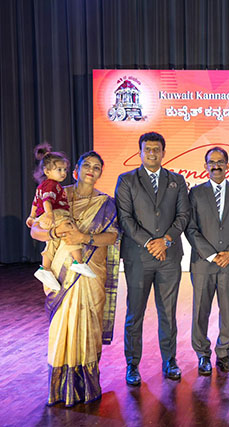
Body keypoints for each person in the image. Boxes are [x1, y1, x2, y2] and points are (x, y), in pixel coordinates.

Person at [30, 151, 120, 407]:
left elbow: (113, 237)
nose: (91, 169)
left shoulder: (106, 203)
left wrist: (84, 238)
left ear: (100, 173)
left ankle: (86, 388)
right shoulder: (56, 194)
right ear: (75, 171)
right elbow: (35, 229)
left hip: (91, 271)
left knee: (88, 324)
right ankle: (59, 389)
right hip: (60, 274)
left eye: (97, 167)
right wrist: (54, 232)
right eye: (86, 165)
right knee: (61, 328)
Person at [115, 131, 190, 385]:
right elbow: (125, 218)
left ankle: (170, 361)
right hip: (138, 257)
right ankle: (132, 365)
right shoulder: (126, 180)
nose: (152, 153)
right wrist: (150, 242)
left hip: (169, 256)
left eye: (157, 149)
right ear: (140, 152)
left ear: (163, 153)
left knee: (168, 312)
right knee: (134, 313)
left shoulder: (176, 180)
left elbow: (183, 215)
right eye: (147, 149)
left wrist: (165, 240)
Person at [185, 147, 229, 374]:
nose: (216, 166)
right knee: (200, 311)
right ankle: (202, 355)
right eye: (211, 162)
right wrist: (212, 255)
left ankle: (224, 354)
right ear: (205, 166)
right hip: (203, 263)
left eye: (220, 162)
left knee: (228, 310)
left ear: (227, 165)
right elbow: (190, 228)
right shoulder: (195, 193)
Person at [27, 143, 96, 290]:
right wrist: (50, 214)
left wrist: (32, 217)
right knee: (70, 231)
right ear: (47, 171)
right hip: (56, 214)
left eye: (65, 170)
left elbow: (35, 202)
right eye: (59, 169)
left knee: (51, 242)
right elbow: (46, 200)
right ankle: (78, 262)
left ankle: (45, 269)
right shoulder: (52, 185)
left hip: (44, 217)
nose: (63, 173)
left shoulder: (43, 185)